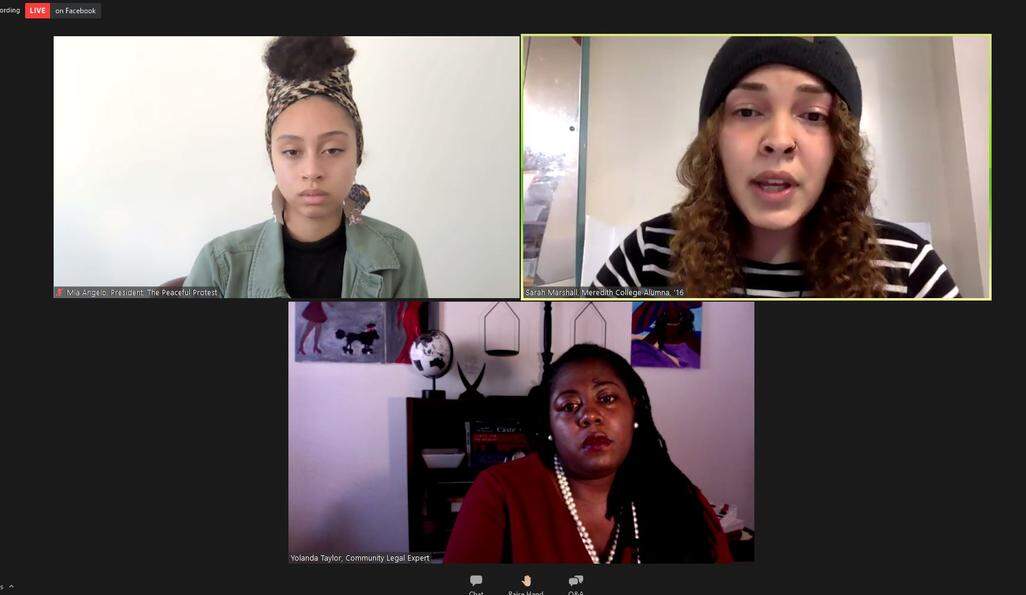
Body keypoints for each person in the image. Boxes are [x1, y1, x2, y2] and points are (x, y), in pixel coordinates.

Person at [593, 37, 960, 298]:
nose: (779, 140)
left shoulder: (908, 266)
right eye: (748, 111)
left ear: (841, 145)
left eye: (813, 115)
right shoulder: (648, 257)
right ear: (714, 138)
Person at [184, 36, 428, 298]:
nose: (312, 171)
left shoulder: (399, 254)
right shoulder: (220, 265)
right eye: (292, 152)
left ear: (357, 154)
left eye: (333, 150)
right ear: (272, 158)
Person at [444, 344, 733, 563]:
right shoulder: (499, 493)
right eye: (569, 406)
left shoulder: (681, 498)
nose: (590, 415)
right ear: (549, 426)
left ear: (634, 410)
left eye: (607, 399)